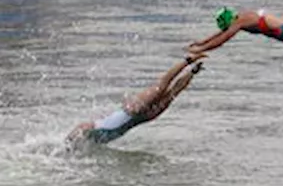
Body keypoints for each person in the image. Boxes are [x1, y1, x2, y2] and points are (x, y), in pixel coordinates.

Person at [67, 55, 205, 146]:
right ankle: (192, 72)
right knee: (170, 96)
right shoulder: (92, 141)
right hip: (138, 119)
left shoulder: (87, 130)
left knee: (162, 87)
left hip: (132, 110)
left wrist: (68, 142)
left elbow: (83, 127)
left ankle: (187, 60)